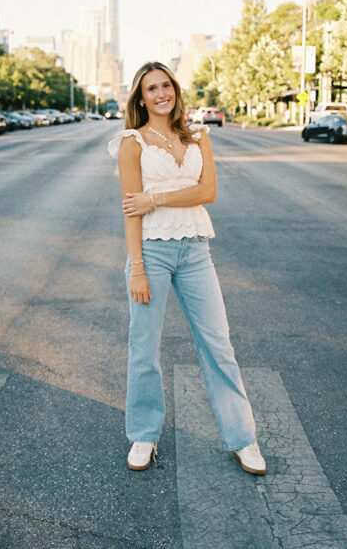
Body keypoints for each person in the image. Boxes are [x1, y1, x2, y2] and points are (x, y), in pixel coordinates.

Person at [107, 61, 266, 475]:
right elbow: (130, 210)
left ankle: (243, 439)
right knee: (144, 348)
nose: (161, 93)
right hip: (152, 254)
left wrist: (156, 199)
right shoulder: (132, 142)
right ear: (141, 98)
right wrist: (137, 269)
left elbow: (208, 191)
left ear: (175, 89)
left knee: (218, 345)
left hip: (196, 251)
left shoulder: (197, 135)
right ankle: (144, 434)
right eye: (151, 88)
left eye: (166, 86)